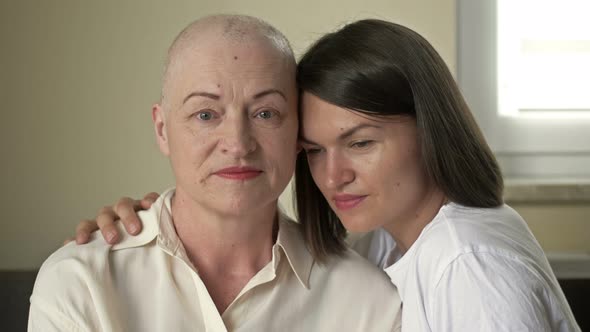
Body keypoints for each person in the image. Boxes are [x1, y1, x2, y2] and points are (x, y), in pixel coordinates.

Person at [72, 19, 581, 331]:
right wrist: (155, 222)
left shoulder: (470, 262)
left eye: (360, 143)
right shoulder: (387, 240)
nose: (333, 176)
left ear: (430, 127)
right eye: (314, 151)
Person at [29, 15, 402, 332]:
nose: (238, 144)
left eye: (265, 113)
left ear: (298, 134)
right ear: (162, 130)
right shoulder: (79, 281)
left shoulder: (368, 301)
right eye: (206, 115)